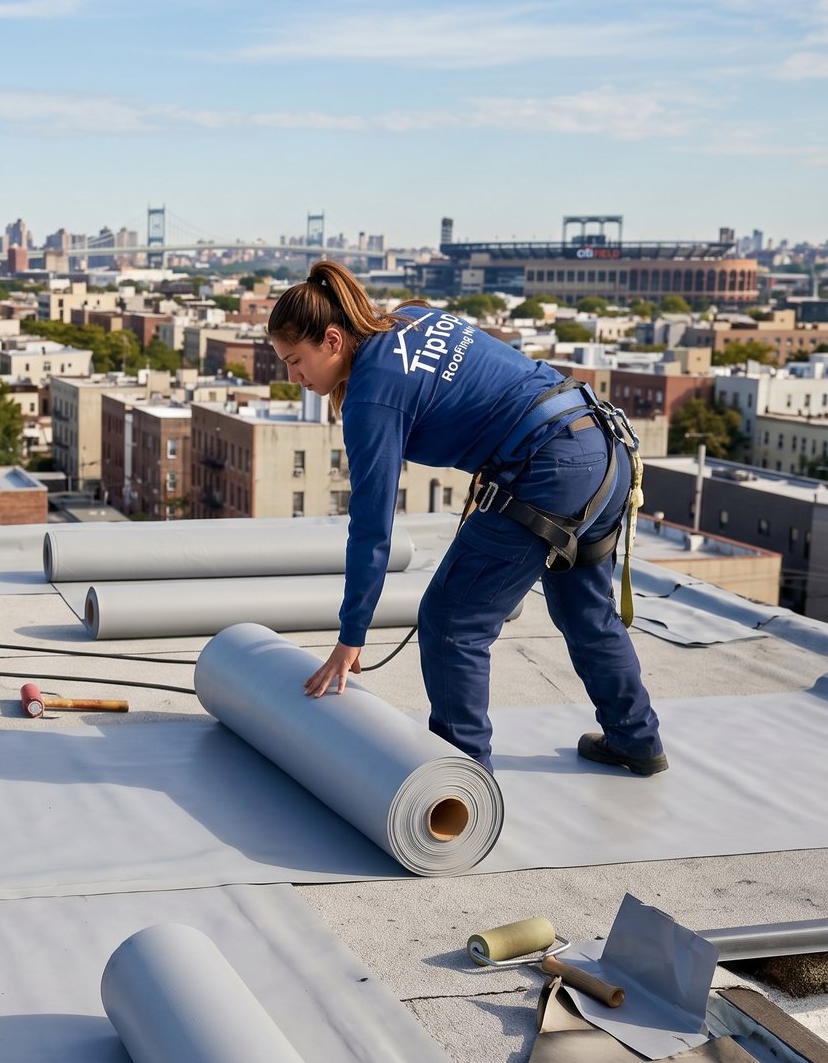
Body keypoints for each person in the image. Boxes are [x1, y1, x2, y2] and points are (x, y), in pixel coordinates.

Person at [268, 261, 666, 776]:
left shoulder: (371, 395)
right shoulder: (409, 317)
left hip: (549, 466)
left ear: (333, 339)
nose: (293, 378)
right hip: (601, 445)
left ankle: (461, 783)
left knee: (452, 623)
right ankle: (636, 739)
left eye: (296, 361)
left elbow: (371, 527)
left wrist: (351, 637)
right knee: (584, 611)